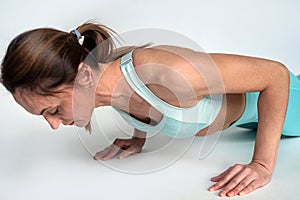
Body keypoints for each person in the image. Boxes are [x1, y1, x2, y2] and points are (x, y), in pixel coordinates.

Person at [1, 21, 300, 197]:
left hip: (291, 107)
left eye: (52, 110)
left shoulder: (167, 73)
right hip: (254, 123)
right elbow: (139, 101)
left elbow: (275, 75)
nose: (54, 124)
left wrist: (261, 165)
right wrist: (139, 136)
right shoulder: (108, 87)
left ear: (85, 76)